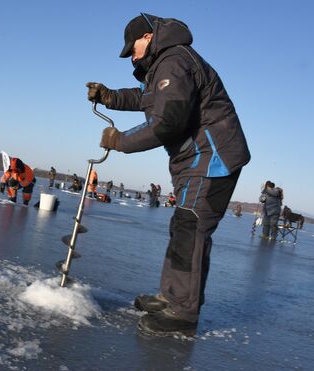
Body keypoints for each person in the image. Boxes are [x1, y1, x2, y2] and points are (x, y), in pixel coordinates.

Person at [87, 13, 250, 336]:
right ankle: (172, 296)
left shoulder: (174, 60)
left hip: (211, 160)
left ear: (147, 37)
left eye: (131, 47)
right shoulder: (166, 64)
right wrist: (110, 97)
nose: (130, 55)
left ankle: (183, 313)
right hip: (198, 161)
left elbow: (167, 122)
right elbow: (148, 98)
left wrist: (120, 140)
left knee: (192, 229)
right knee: (183, 226)